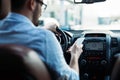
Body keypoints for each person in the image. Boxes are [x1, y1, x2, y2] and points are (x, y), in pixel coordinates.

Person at [0, 0, 83, 80]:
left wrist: (44, 29)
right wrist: (74, 56)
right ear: (32, 3)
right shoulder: (44, 38)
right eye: (41, 4)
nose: (41, 12)